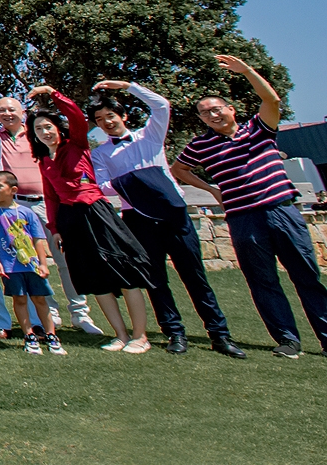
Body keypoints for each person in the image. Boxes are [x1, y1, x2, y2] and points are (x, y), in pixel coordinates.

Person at [173, 55, 327, 359]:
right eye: (205, 113)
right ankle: (287, 340)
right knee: (262, 281)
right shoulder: (200, 146)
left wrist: (246, 71)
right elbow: (179, 169)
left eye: (216, 109)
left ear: (230, 109)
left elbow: (272, 100)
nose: (212, 115)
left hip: (281, 211)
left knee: (306, 276)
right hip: (243, 219)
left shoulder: (259, 128)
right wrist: (211, 190)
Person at [0, 60, 105, 338]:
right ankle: (47, 313)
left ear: (23, 112)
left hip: (49, 203)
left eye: (11, 110)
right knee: (27, 261)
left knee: (64, 260)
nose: (6, 114)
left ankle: (80, 313)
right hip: (16, 209)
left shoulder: (39, 135)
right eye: (1, 111)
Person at [90, 80, 243, 358]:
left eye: (110, 115)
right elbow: (102, 186)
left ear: (123, 116)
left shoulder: (150, 136)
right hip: (137, 217)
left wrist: (127, 86)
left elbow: (161, 105)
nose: (106, 122)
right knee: (156, 279)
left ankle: (219, 334)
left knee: (195, 276)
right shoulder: (100, 153)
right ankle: (174, 332)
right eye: (99, 120)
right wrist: (142, 179)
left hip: (173, 213)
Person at [25, 86, 152, 352]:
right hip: (70, 219)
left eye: (48, 126)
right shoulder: (44, 161)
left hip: (95, 211)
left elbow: (76, 116)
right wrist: (55, 228)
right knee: (95, 279)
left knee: (126, 272)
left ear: (57, 128)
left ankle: (140, 336)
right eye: (38, 129)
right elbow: (51, 197)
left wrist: (53, 93)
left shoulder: (76, 144)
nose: (45, 132)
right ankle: (120, 335)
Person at [0, 169, 66, 354]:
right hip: (10, 266)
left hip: (32, 265)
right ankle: (29, 336)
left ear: (13, 190)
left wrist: (43, 263)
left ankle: (51, 335)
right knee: (19, 299)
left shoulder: (27, 212)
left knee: (40, 299)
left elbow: (38, 239)